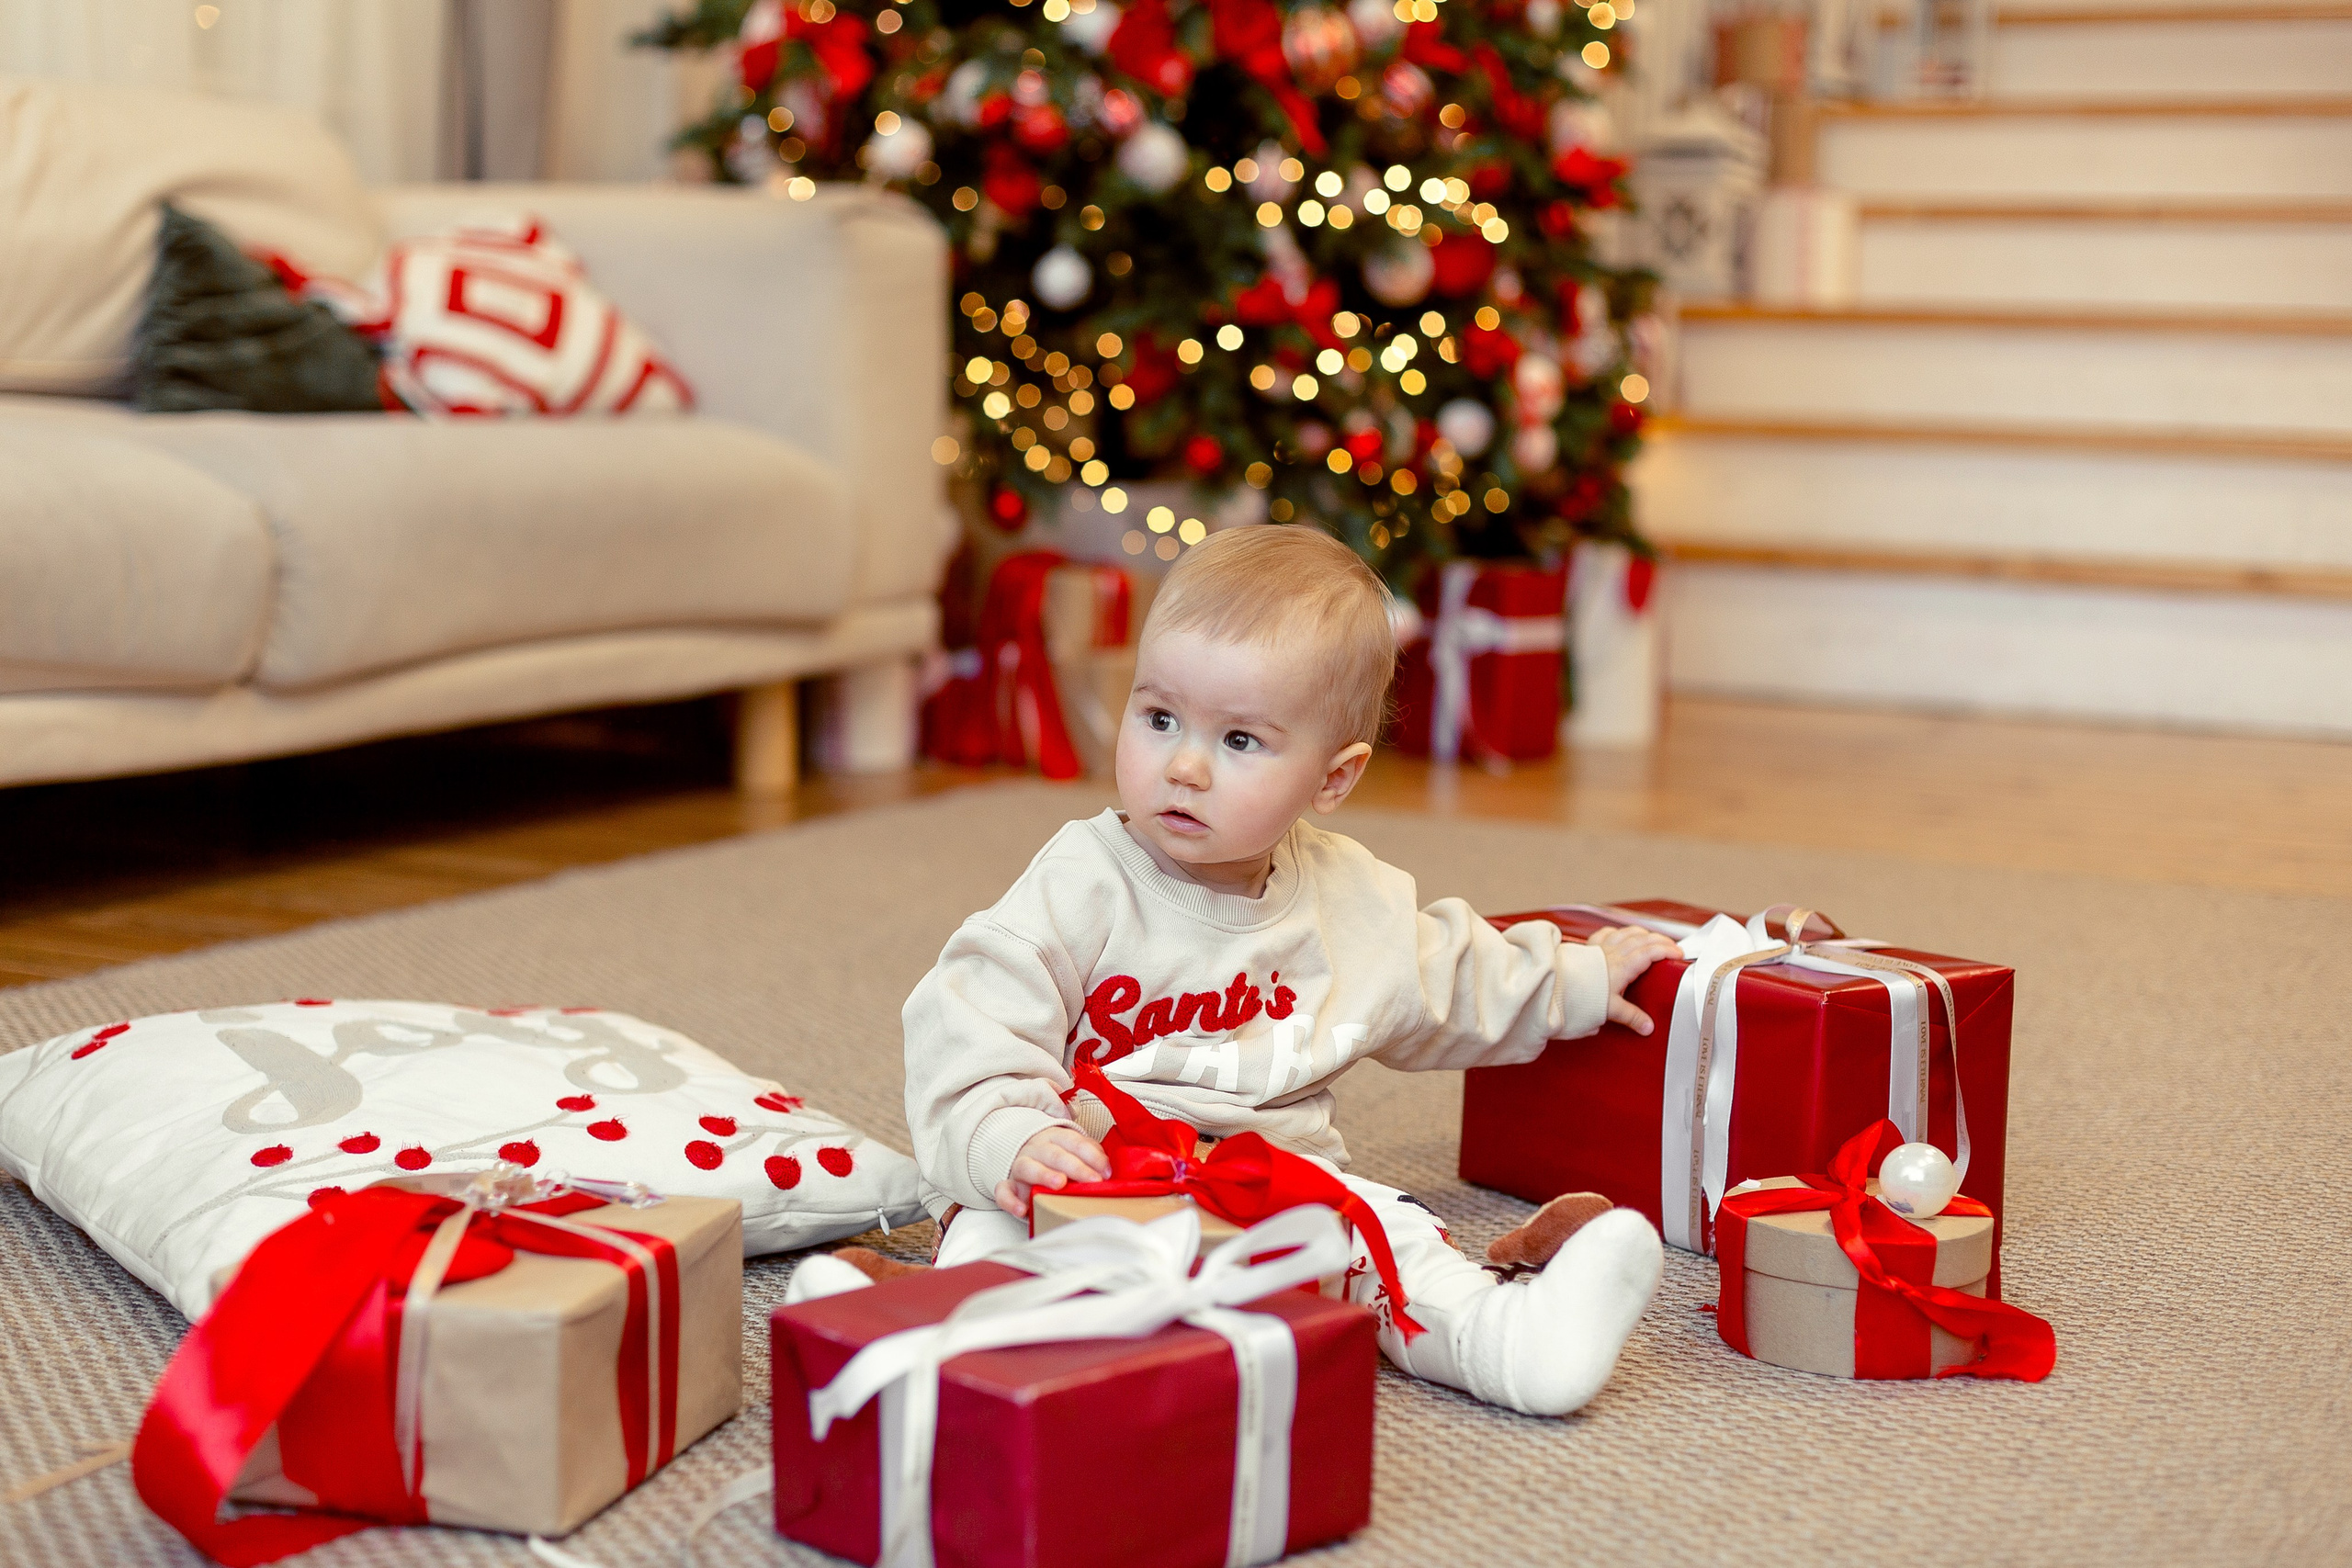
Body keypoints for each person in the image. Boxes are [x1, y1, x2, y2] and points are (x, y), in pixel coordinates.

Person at [899, 525, 1679, 1416]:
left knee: (1384, 1239)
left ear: (1333, 779)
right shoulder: (1080, 883)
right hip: (1086, 1176)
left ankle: (1502, 1341)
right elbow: (969, 1018)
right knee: (992, 1242)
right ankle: (949, 1353)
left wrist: (1573, 980)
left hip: (1270, 1182)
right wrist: (1007, 1136)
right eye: (1158, 719)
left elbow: (1454, 977)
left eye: (1239, 741)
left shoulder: (1352, 904)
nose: (1183, 766)